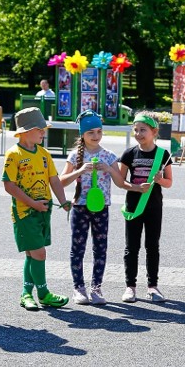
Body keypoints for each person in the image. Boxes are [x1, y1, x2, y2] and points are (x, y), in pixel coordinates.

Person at [59, 111, 141, 305]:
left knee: (100, 249)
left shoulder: (109, 155)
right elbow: (60, 182)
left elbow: (121, 183)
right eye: (91, 133)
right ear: (82, 134)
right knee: (77, 249)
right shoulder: (74, 155)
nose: (96, 136)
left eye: (99, 131)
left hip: (101, 208)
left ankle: (96, 288)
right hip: (80, 208)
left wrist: (110, 169)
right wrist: (80, 170)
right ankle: (79, 288)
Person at [3, 107, 72, 311]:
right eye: (40, 129)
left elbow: (54, 180)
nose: (44, 133)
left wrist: (64, 200)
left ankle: (26, 294)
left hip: (44, 210)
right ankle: (43, 293)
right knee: (39, 253)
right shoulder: (13, 154)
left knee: (32, 254)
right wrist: (32, 203)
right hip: (25, 212)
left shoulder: (44, 154)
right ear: (25, 131)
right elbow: (9, 185)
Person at [118, 111, 173, 303]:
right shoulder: (129, 153)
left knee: (152, 246)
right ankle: (130, 286)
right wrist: (135, 187)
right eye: (136, 129)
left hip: (154, 207)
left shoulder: (163, 155)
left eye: (143, 130)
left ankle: (153, 286)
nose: (139, 133)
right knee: (131, 247)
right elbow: (120, 181)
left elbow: (169, 182)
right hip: (133, 206)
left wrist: (160, 180)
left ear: (154, 131)